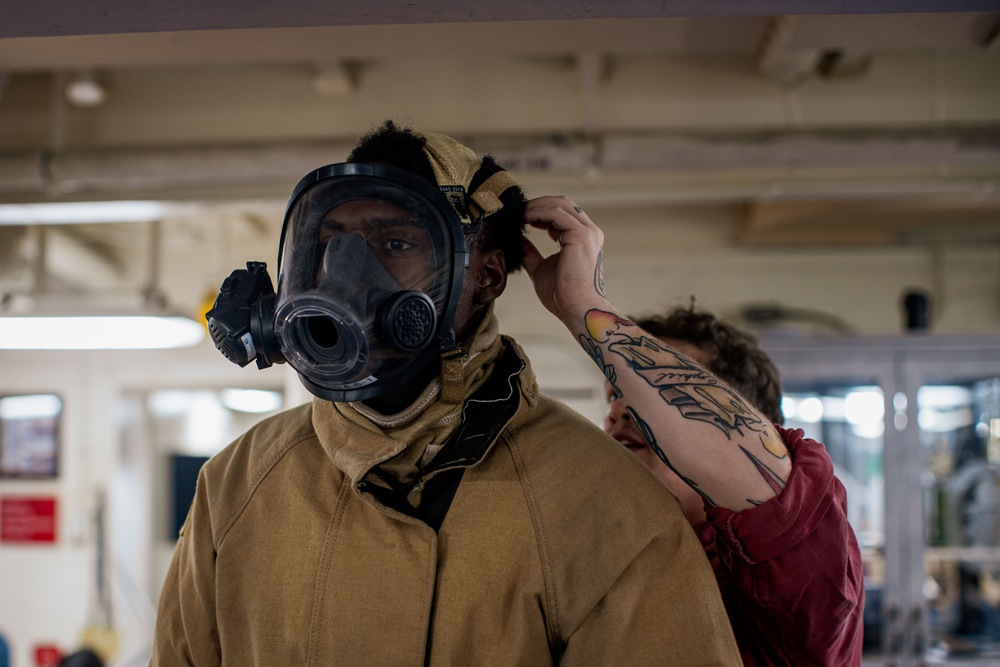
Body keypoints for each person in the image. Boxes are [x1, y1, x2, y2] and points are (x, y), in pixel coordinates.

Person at [152, 122, 742, 665]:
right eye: (332, 243)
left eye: (396, 244)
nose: (345, 273)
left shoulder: (606, 501)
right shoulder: (238, 483)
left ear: (484, 276)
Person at [522, 196, 865, 666]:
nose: (618, 412)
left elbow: (778, 494)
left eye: (654, 400)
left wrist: (583, 304)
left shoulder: (796, 562)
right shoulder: (606, 557)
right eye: (614, 397)